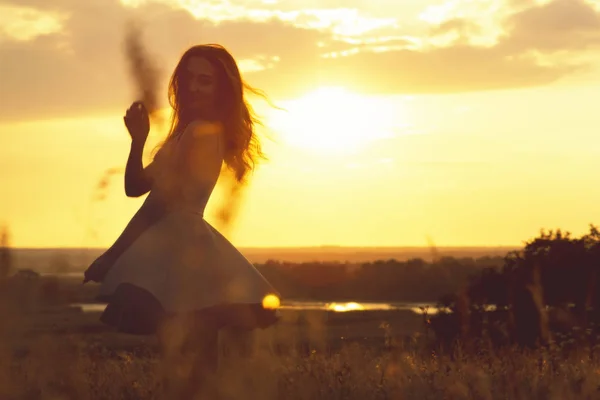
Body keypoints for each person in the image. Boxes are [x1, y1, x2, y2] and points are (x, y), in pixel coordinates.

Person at [83, 44, 280, 397]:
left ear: (222, 89)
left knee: (191, 362)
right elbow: (135, 187)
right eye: (188, 79)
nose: (194, 88)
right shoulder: (184, 134)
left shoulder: (202, 131)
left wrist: (113, 256)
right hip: (178, 245)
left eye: (205, 81)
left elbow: (158, 204)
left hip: (185, 249)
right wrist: (138, 140)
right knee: (190, 361)